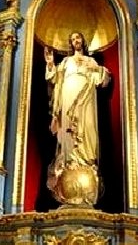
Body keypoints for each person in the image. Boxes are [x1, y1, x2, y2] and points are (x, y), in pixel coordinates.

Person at [44, 31, 110, 206]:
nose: (76, 41)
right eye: (73, 39)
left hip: (86, 99)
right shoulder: (66, 62)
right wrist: (50, 63)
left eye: (78, 38)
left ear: (83, 41)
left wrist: (99, 70)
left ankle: (86, 163)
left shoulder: (90, 61)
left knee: (87, 128)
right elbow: (54, 79)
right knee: (68, 132)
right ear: (70, 43)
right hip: (68, 95)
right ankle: (70, 162)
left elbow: (102, 80)